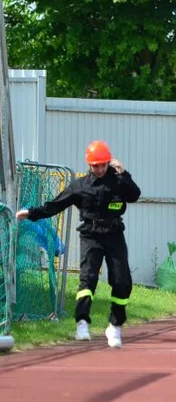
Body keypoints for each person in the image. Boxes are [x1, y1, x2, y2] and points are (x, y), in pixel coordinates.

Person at [16, 140, 141, 348]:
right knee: (88, 278)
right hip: (91, 235)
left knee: (122, 281)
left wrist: (124, 174)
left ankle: (115, 325)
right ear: (89, 165)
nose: (99, 169)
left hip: (114, 234)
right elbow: (56, 204)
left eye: (103, 165)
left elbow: (135, 195)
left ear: (108, 162)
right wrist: (32, 213)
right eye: (95, 165)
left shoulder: (119, 181)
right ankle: (82, 322)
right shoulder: (80, 186)